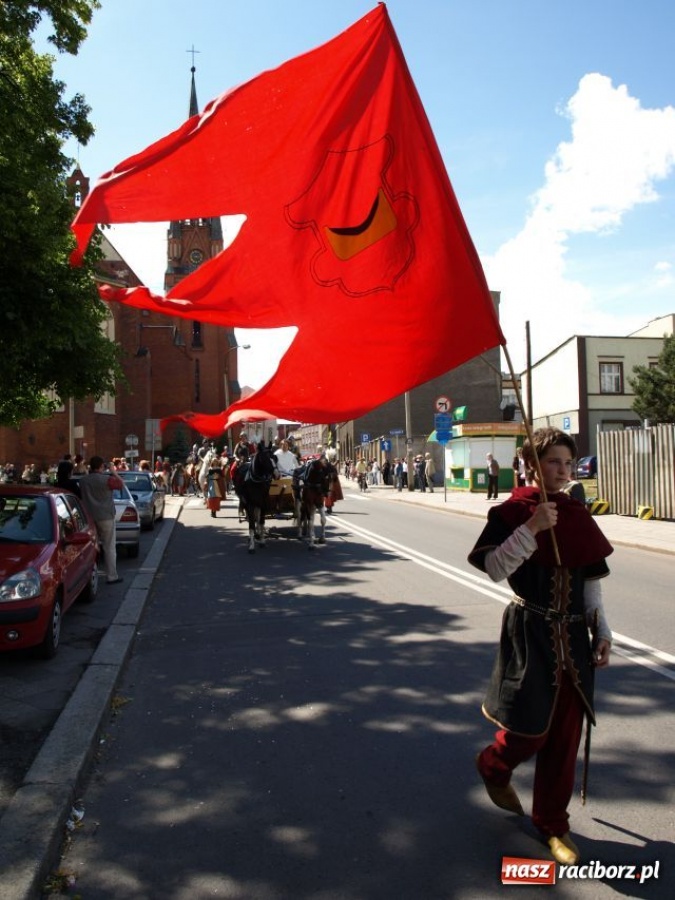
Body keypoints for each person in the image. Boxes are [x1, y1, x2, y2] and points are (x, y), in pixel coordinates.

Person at [468, 427, 613, 866]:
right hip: (530, 632)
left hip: (573, 637)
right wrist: (531, 526)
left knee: (565, 737)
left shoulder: (577, 514)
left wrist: (603, 632)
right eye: (553, 462)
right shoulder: (512, 512)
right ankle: (494, 765)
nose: (562, 470)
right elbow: (494, 568)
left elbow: (590, 587)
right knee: (530, 729)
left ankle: (553, 824)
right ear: (532, 464)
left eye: (568, 463)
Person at [79, 456, 125, 585]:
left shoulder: (83, 481)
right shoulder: (107, 479)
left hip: (89, 517)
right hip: (105, 516)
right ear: (101, 466)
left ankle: (88, 575)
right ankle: (112, 576)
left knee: (91, 547)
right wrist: (113, 471)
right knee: (109, 546)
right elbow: (121, 484)